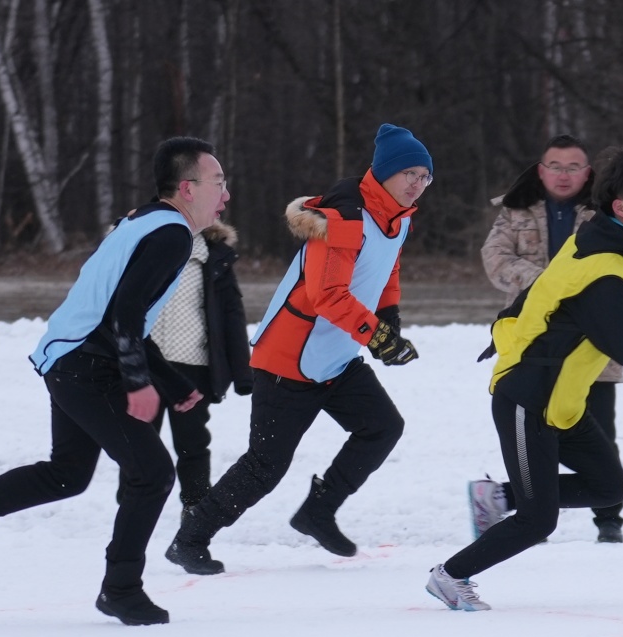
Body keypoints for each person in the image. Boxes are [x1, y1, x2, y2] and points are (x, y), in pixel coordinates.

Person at [0, 137, 224, 625]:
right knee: (154, 473)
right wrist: (141, 383)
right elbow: (123, 316)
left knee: (67, 474)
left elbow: (126, 319)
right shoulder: (171, 236)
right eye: (218, 182)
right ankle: (121, 589)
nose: (226, 195)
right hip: (88, 364)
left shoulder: (142, 220)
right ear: (187, 188)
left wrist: (171, 382)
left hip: (70, 358)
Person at [427, 147, 623, 611]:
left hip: (561, 407)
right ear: (621, 209)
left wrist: (512, 324)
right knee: (537, 520)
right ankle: (451, 576)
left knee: (608, 487)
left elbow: (545, 287)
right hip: (527, 402)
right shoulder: (606, 272)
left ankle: (497, 496)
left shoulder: (595, 241)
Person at [164, 124, 428, 575]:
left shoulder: (396, 217)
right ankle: (189, 540)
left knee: (382, 427)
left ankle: (318, 512)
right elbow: (327, 295)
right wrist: (377, 336)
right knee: (265, 466)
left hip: (335, 357)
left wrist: (389, 318)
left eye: (425, 176)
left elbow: (387, 268)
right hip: (289, 359)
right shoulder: (345, 217)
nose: (417, 184)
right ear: (383, 173)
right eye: (409, 173)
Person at [480, 135, 623, 543]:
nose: (563, 176)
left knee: (601, 433)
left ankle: (608, 519)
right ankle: (528, 508)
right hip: (535, 348)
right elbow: (495, 260)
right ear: (541, 170)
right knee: (537, 434)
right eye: (555, 166)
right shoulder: (514, 210)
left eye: (573, 167)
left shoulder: (607, 213)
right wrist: (548, 283)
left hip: (593, 345)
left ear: (588, 173)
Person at [147, 218, 252, 509]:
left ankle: (195, 510)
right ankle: (133, 505)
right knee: (140, 444)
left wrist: (243, 372)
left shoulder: (213, 254)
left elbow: (232, 312)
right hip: (147, 363)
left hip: (194, 366)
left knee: (192, 444)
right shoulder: (144, 244)